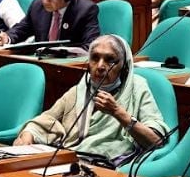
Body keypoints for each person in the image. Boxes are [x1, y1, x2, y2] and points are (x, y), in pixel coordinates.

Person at [15, 34, 168, 160]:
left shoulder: (137, 88)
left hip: (108, 165)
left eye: (110, 60)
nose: (100, 66)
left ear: (124, 66)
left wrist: (117, 112)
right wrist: (28, 136)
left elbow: (156, 140)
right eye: (95, 58)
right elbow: (46, 120)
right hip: (71, 159)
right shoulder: (81, 89)